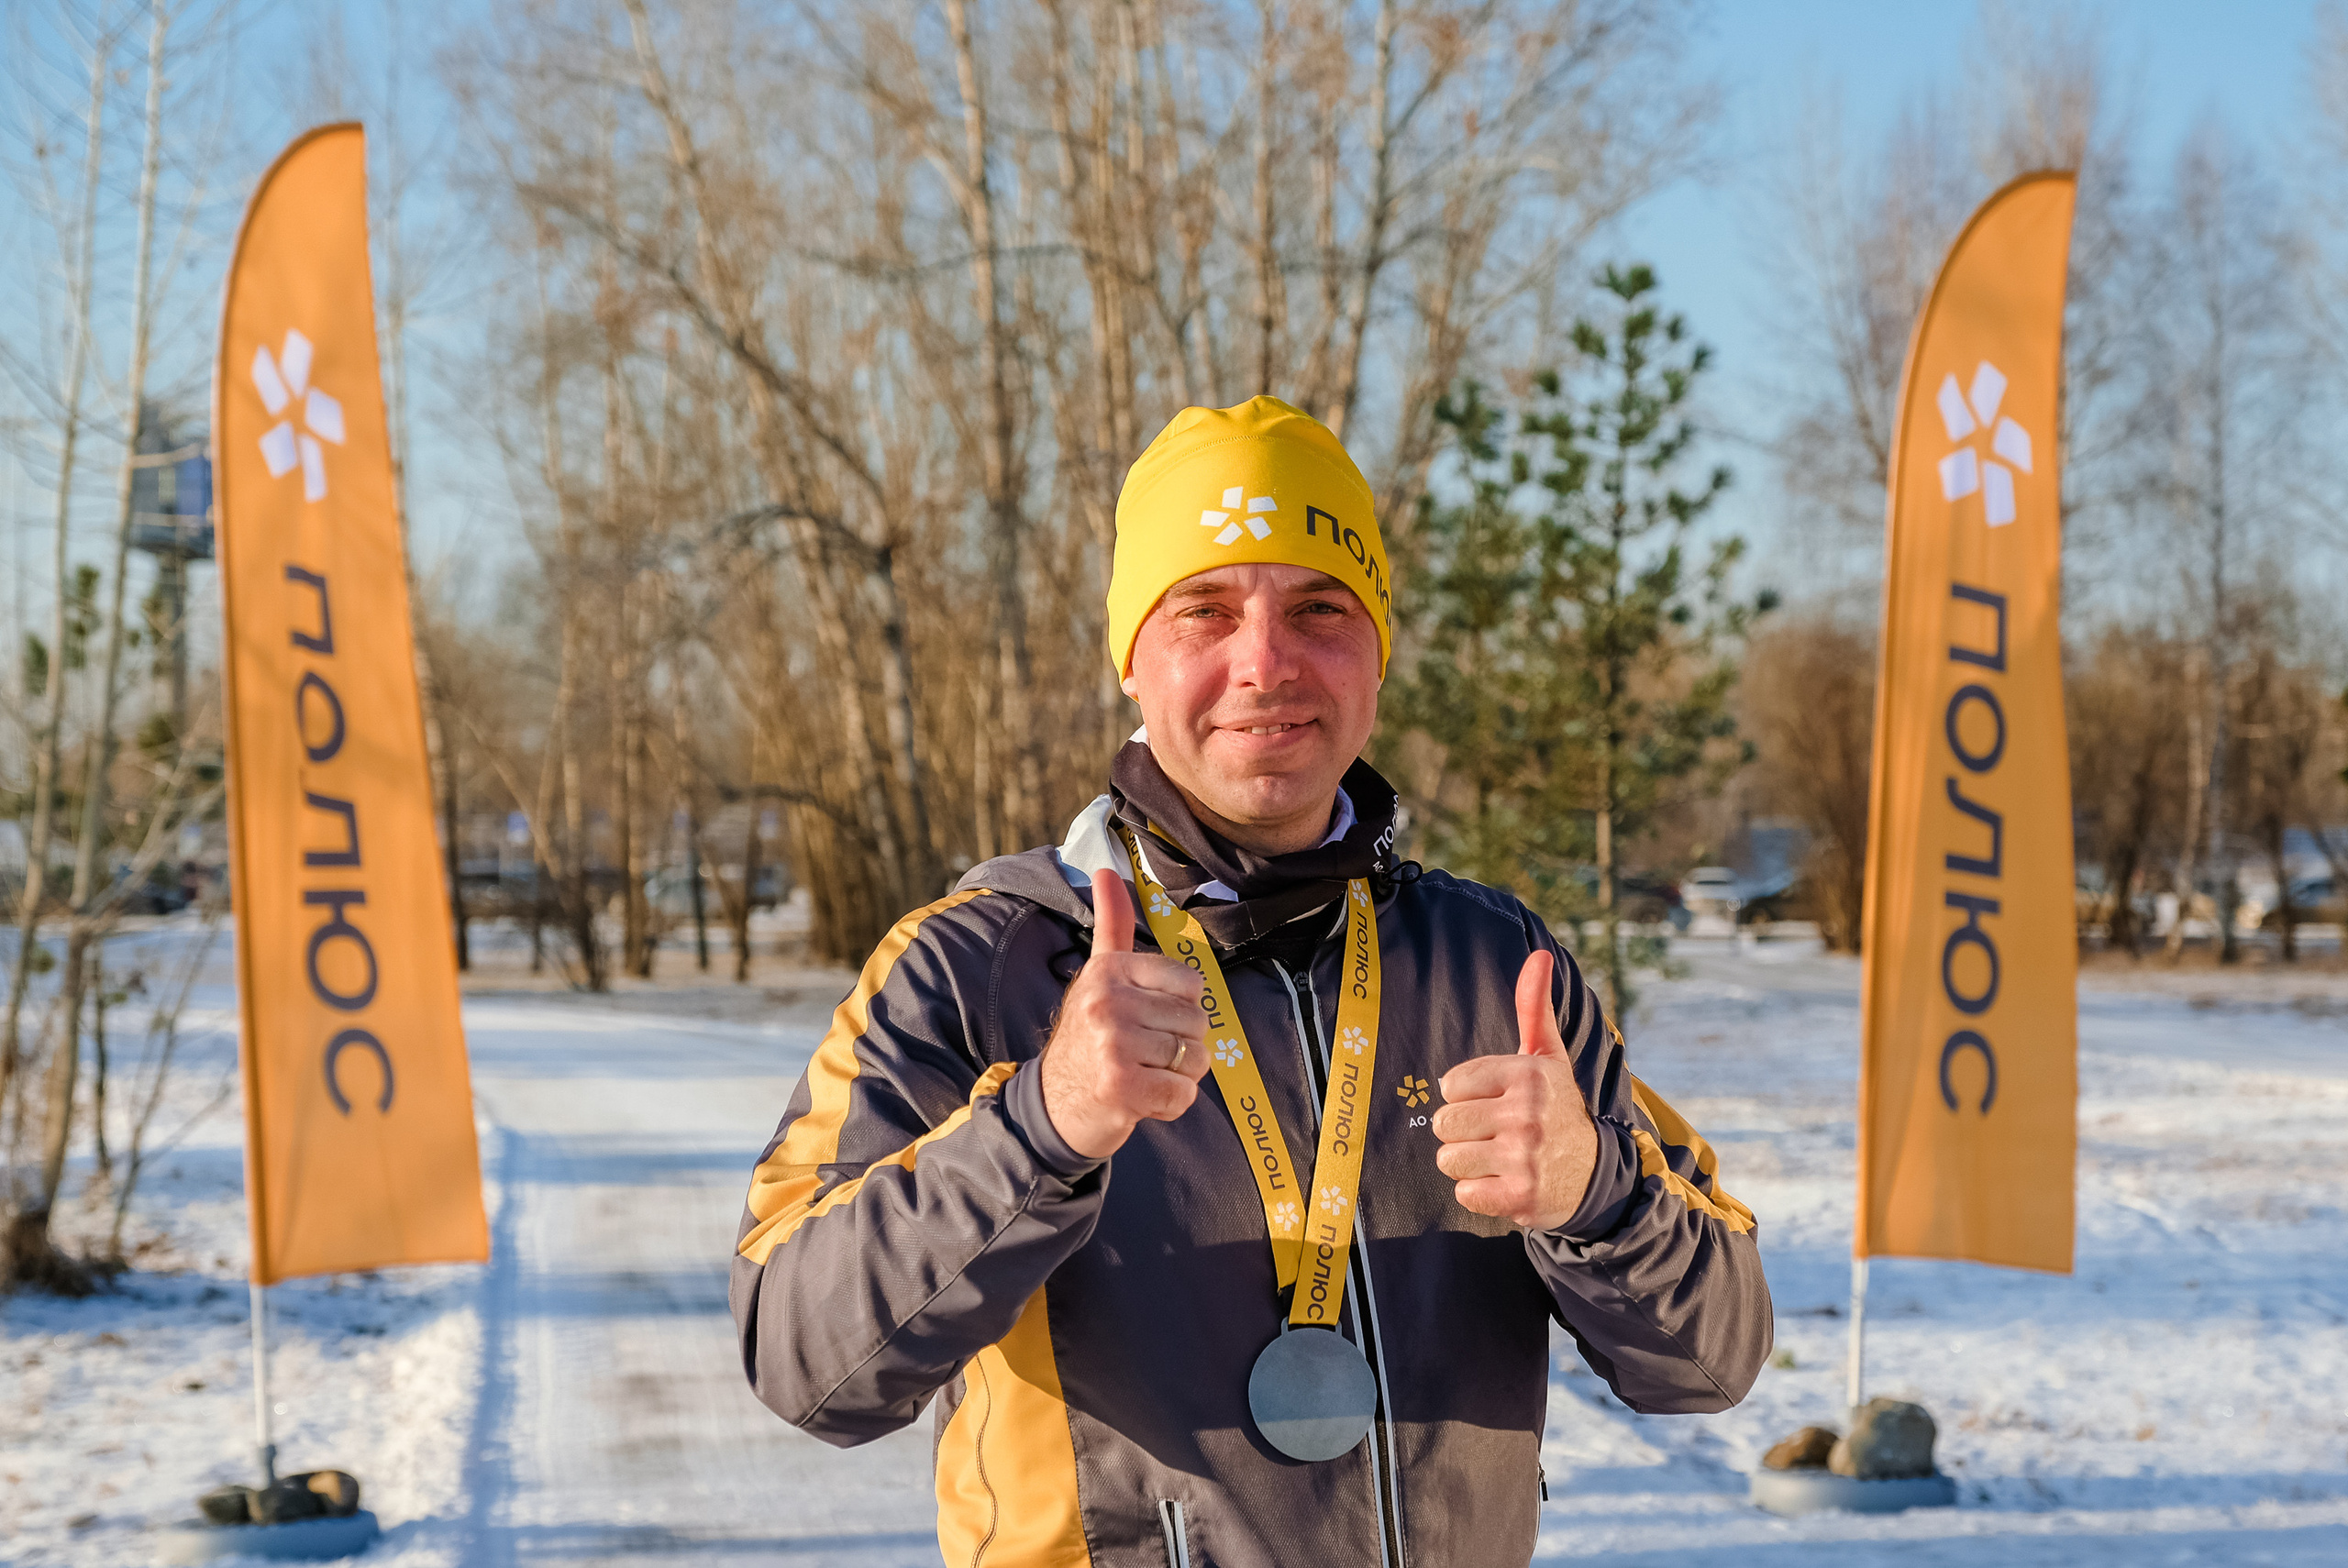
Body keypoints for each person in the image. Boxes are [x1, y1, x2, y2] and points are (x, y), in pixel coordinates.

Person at [730, 397, 1770, 1567]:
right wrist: (1039, 1126)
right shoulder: (976, 963)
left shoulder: (1495, 966)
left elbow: (1712, 1360)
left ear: (1377, 650)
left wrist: (1598, 1198)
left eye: (1320, 609)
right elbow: (804, 1364)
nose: (1264, 663)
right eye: (1204, 612)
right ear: (1133, 657)